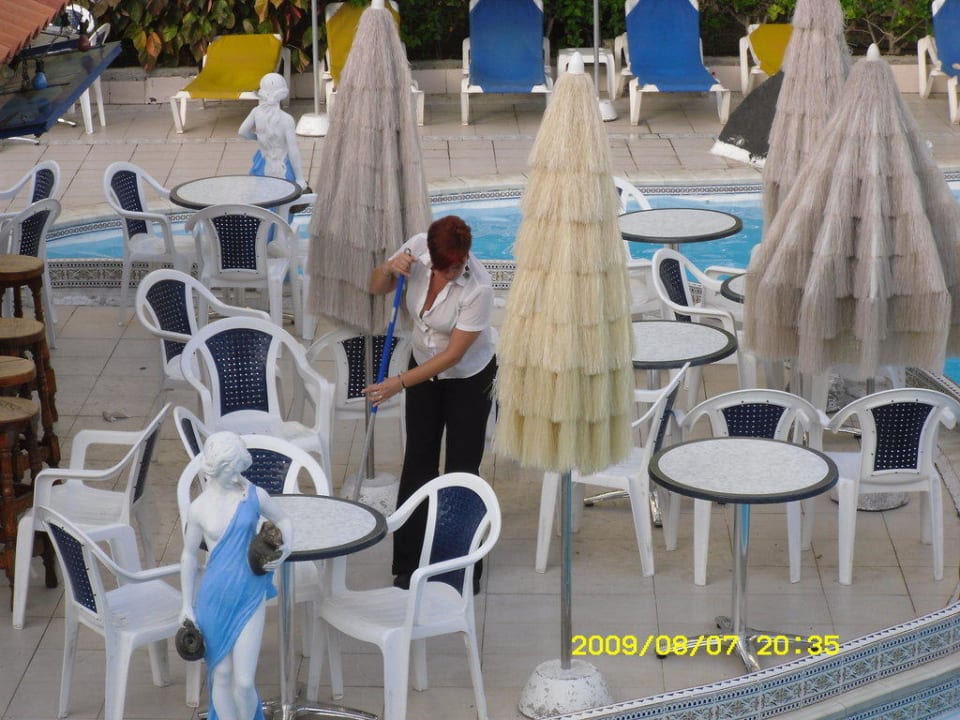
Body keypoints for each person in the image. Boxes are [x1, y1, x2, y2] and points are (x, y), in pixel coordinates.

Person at [364, 215, 496, 593]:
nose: (454, 272)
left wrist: (398, 383)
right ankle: (409, 562)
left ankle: (460, 567)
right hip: (422, 366)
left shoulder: (479, 289)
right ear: (433, 258)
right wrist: (389, 269)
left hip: (468, 379)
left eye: (459, 265)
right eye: (446, 267)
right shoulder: (418, 247)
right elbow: (376, 287)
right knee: (418, 462)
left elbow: (453, 355)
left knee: (461, 469)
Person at [180, 432, 293, 720]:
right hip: (214, 598)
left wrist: (285, 549)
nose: (238, 475)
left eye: (240, 467)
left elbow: (283, 519)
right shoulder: (199, 508)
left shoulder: (253, 495)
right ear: (216, 467)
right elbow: (189, 556)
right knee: (221, 675)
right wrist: (186, 605)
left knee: (243, 682)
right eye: (232, 469)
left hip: (250, 594)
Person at [238, 73, 307, 190]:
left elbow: (242, 132)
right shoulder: (287, 119)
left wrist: (256, 137)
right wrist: (300, 178)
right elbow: (293, 150)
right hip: (283, 165)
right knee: (285, 193)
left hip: (263, 161)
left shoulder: (256, 112)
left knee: (262, 194)